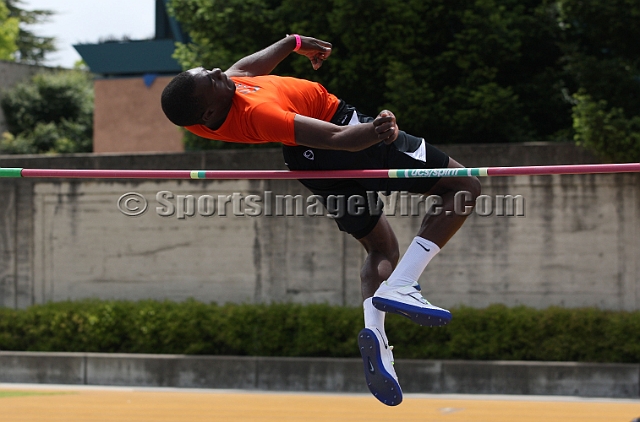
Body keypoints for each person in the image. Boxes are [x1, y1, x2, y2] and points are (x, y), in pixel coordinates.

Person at [161, 34, 481, 406]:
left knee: (380, 246)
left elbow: (246, 68)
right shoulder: (255, 113)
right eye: (213, 79)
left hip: (308, 163)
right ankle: (403, 284)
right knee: (463, 186)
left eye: (211, 71)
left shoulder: (217, 98)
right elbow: (340, 138)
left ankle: (376, 335)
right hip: (345, 133)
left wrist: (293, 43)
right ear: (210, 112)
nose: (219, 71)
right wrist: (380, 128)